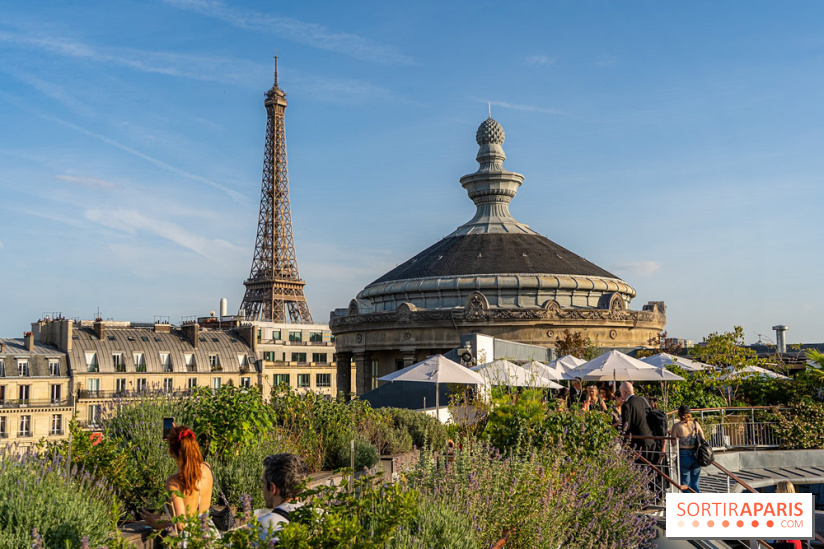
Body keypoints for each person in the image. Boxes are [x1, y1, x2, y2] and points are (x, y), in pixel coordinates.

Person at [141, 425, 217, 533]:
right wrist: (180, 436)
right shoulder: (207, 468)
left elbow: (181, 525)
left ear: (170, 452)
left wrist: (156, 523)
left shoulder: (174, 482)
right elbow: (192, 467)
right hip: (209, 535)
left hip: (191, 541)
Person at [255, 453, 308, 540]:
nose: (262, 488)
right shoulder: (321, 517)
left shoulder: (261, 528)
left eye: (263, 483)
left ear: (272, 488)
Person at [670, 405, 704, 493]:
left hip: (683, 455)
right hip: (695, 454)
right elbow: (703, 438)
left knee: (685, 484)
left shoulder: (676, 426)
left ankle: (688, 504)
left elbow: (673, 444)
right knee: (695, 483)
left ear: (679, 414)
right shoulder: (695, 424)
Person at [619, 382, 656, 463]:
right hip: (651, 440)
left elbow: (626, 426)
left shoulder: (627, 405)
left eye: (621, 392)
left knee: (638, 469)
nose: (621, 395)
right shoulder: (644, 400)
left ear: (624, 391)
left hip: (637, 444)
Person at [771, 482, 803, 549]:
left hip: (787, 541)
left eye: (777, 489)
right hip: (793, 540)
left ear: (782, 491)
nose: (775, 491)